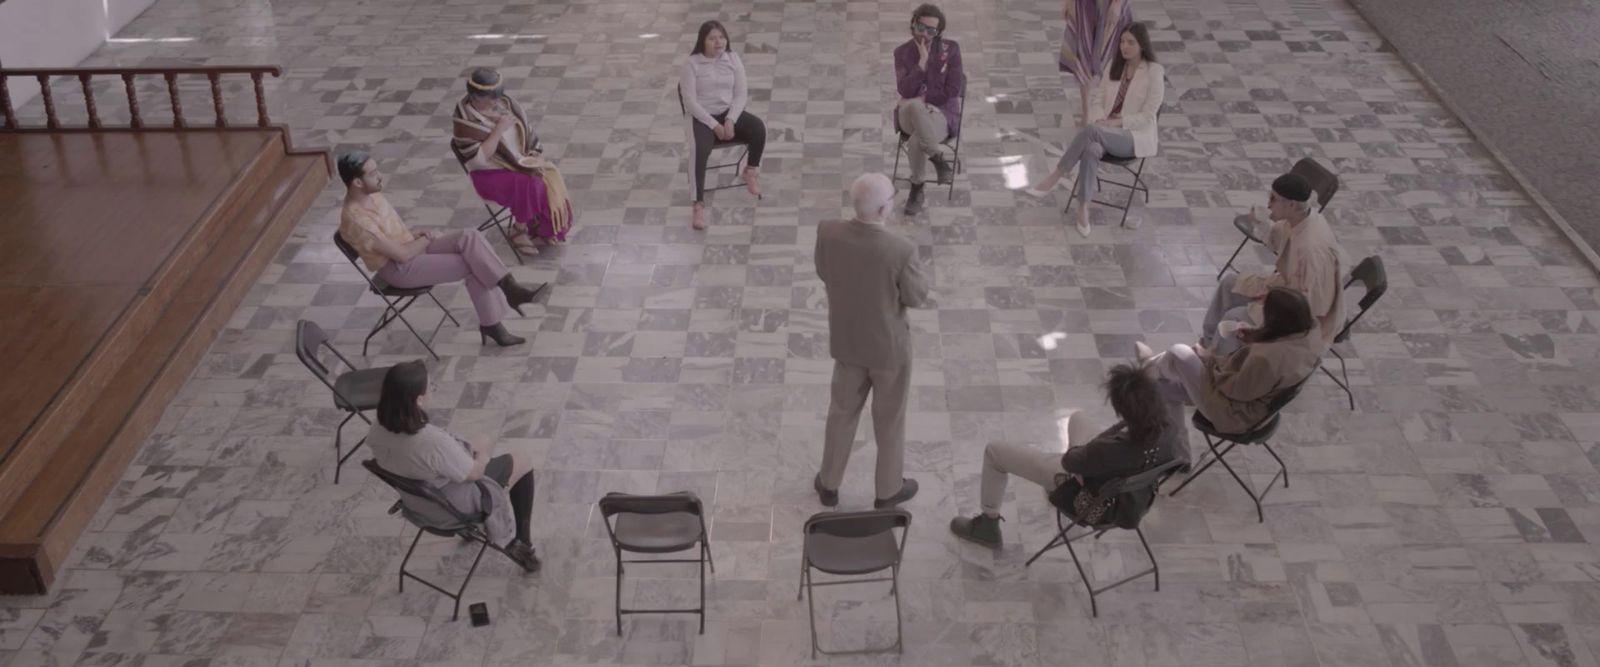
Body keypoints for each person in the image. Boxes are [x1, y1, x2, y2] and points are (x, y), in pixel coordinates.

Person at [949, 364, 1184, 547]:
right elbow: (1100, 450)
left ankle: (987, 525)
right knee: (1078, 418)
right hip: (1132, 495)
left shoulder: (1110, 450)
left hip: (1089, 499)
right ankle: (1062, 476)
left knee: (994, 452)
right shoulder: (1169, 429)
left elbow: (1070, 460)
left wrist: (1084, 460)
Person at [336, 151, 543, 347]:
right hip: (399, 268)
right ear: (357, 182)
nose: (380, 176)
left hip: (410, 247)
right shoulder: (357, 221)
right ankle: (493, 322)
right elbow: (402, 255)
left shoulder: (372, 194)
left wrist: (415, 234)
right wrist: (426, 239)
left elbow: (393, 236)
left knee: (470, 237)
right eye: (373, 174)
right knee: (473, 262)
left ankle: (509, 289)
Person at [813, 173, 930, 509]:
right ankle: (888, 489)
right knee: (889, 421)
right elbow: (916, 296)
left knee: (841, 413)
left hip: (848, 341)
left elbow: (824, 271)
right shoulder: (900, 250)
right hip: (888, 350)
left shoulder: (828, 232)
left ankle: (829, 483)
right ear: (882, 209)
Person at [366, 360, 541, 572]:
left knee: (482, 440)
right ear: (419, 400)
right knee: (521, 460)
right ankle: (523, 543)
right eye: (431, 387)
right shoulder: (429, 441)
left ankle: (472, 533)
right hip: (454, 505)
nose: (433, 390)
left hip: (419, 501)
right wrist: (483, 457)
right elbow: (475, 473)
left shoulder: (377, 428)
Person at [1023, 21, 1163, 237]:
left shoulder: (1154, 71)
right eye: (1122, 42)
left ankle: (1055, 176)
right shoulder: (1113, 66)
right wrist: (1101, 120)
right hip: (1104, 131)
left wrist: (1115, 122)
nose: (1124, 47)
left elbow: (1148, 117)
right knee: (1090, 149)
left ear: (1142, 45)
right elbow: (1097, 100)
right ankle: (1083, 210)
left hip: (1133, 137)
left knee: (1090, 131)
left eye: (1130, 43)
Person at [1138, 286, 1324, 435]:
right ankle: (1178, 457)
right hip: (1260, 405)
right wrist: (1258, 337)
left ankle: (1148, 366)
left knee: (1179, 353)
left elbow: (1236, 391)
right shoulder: (1310, 336)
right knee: (1163, 388)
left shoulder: (1266, 358)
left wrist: (1209, 361)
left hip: (1235, 414)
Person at [1201, 173, 1345, 356]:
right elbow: (1277, 241)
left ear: (1291, 205)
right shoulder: (1298, 219)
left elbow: (1312, 306)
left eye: (1273, 199)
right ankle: (1208, 346)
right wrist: (1261, 223)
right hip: (1284, 290)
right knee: (1229, 284)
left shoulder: (1312, 250)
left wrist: (1269, 301)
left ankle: (1218, 367)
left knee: (1233, 318)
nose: (1268, 204)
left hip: (1296, 317)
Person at [451, 67, 576, 255]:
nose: (496, 100)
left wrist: (535, 155)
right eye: (491, 97)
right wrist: (499, 129)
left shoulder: (506, 104)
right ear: (476, 96)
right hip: (488, 174)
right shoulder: (464, 122)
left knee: (548, 178)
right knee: (531, 184)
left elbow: (528, 133)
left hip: (519, 163)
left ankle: (541, 227)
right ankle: (519, 230)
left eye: (498, 95)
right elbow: (478, 160)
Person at [681, 20, 766, 231]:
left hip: (727, 112)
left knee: (758, 129)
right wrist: (713, 125)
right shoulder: (691, 64)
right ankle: (698, 204)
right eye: (712, 38)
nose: (718, 42)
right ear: (703, 41)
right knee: (699, 150)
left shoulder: (733, 58)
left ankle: (750, 171)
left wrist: (731, 119)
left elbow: (741, 93)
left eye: (721, 37)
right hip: (701, 118)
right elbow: (690, 102)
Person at [893, 3, 963, 216]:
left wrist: (926, 99)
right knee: (914, 105)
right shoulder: (902, 52)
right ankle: (937, 158)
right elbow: (904, 88)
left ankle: (917, 188)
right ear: (913, 25)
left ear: (939, 32)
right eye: (921, 27)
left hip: (940, 115)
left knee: (916, 139)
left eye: (931, 30)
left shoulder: (950, 50)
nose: (925, 34)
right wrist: (922, 63)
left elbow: (953, 89)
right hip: (909, 114)